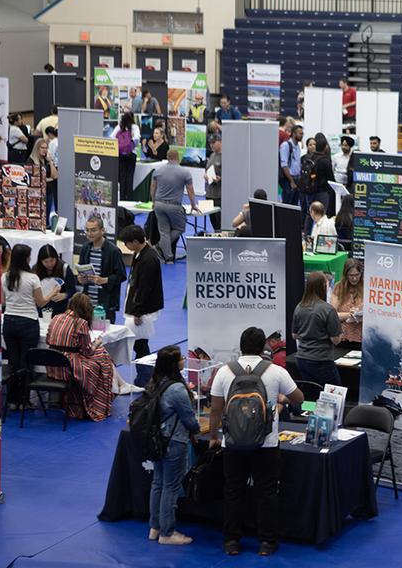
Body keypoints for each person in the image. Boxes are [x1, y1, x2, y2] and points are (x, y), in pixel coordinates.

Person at [208, 326, 304, 557]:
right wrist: (281, 399)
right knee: (267, 492)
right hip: (267, 443)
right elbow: (299, 398)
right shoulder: (275, 371)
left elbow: (215, 409)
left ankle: (231, 541)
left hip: (232, 443)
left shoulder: (224, 372)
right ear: (264, 347)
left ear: (240, 347)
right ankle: (267, 543)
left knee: (233, 491)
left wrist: (213, 436)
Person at [145, 345, 201, 546]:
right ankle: (167, 533)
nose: (184, 360)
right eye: (181, 358)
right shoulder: (176, 388)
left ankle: (155, 527)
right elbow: (189, 419)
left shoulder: (154, 382)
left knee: (158, 483)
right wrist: (197, 430)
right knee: (171, 486)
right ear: (175, 363)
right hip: (173, 440)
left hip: (156, 439)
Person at [2, 244, 66, 408]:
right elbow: (41, 302)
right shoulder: (32, 278)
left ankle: (11, 400)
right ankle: (24, 400)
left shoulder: (5, 277)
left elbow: (2, 302)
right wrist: (52, 292)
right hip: (28, 323)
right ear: (25, 258)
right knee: (26, 362)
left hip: (9, 321)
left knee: (13, 362)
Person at [44, 293, 116, 421]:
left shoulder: (55, 317)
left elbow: (48, 340)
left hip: (52, 366)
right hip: (69, 368)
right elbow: (87, 351)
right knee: (104, 360)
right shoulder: (80, 323)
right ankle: (99, 401)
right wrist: (97, 343)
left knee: (101, 356)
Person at [291, 272, 342, 399]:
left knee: (311, 395)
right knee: (335, 396)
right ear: (322, 287)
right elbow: (335, 340)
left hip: (302, 359)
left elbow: (294, 335)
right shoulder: (328, 309)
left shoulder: (299, 307)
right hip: (321, 360)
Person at [119, 224, 162, 359]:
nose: (125, 246)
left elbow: (145, 287)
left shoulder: (148, 259)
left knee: (140, 345)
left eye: (127, 243)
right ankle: (144, 374)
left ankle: (144, 374)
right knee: (140, 345)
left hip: (141, 310)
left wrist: (138, 311)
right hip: (137, 305)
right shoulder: (140, 253)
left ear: (136, 242)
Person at [151, 149, 199, 263]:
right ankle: (158, 246)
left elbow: (153, 188)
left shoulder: (157, 171)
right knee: (180, 228)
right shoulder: (185, 172)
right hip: (174, 206)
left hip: (159, 204)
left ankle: (168, 258)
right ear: (178, 157)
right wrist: (193, 204)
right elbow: (190, 190)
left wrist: (154, 202)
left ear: (167, 157)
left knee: (164, 231)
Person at [77, 215, 126, 322]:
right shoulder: (85, 248)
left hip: (106, 303)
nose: (90, 233)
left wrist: (105, 280)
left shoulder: (113, 251)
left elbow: (121, 275)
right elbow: (81, 269)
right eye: (87, 230)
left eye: (93, 230)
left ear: (102, 230)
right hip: (87, 301)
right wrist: (80, 279)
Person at [300, 133, 336, 218]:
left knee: (310, 213)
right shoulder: (325, 161)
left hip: (309, 190)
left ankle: (307, 231)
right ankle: (319, 230)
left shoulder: (308, 158)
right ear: (325, 147)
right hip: (322, 191)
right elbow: (330, 179)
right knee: (322, 214)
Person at [34, 243, 75, 316]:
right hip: (41, 310)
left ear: (56, 258)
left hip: (60, 309)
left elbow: (72, 288)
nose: (49, 264)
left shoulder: (64, 268)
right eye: (46, 262)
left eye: (52, 260)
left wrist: (65, 295)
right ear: (40, 261)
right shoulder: (35, 270)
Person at [331, 259, 364, 348]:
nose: (354, 278)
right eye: (351, 275)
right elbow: (332, 315)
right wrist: (350, 315)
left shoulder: (366, 287)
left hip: (361, 338)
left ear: (361, 274)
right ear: (346, 275)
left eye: (357, 275)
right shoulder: (338, 288)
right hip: (342, 338)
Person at [112, 111, 140, 200]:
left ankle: (122, 198)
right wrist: (130, 147)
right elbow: (137, 138)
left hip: (120, 155)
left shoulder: (120, 127)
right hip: (131, 154)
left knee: (122, 176)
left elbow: (111, 137)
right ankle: (129, 198)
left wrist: (120, 146)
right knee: (130, 176)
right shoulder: (134, 127)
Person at [28, 138, 58, 216]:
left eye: (46, 148)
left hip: (48, 191)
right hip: (37, 192)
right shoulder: (31, 161)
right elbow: (35, 178)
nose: (45, 150)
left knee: (47, 214)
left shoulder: (46, 161)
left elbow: (55, 175)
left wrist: (50, 162)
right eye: (42, 148)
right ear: (37, 148)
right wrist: (48, 179)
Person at [278, 124, 303, 206]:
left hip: (297, 179)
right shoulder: (286, 145)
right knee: (287, 204)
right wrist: (291, 181)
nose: (302, 135)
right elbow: (284, 165)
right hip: (288, 180)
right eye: (300, 133)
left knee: (295, 204)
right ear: (294, 133)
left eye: (302, 133)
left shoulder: (298, 146)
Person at [205, 132, 223, 230]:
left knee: (219, 221)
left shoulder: (225, 156)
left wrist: (220, 179)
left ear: (220, 142)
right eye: (210, 143)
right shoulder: (211, 156)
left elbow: (231, 175)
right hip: (210, 193)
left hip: (219, 195)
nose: (211, 145)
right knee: (213, 221)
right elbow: (207, 169)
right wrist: (206, 175)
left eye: (213, 143)